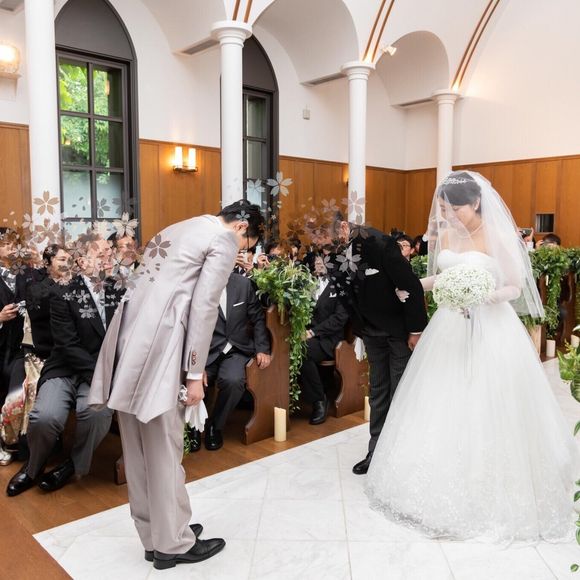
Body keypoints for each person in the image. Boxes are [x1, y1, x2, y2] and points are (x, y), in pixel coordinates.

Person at [366, 171, 580, 543]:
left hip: (492, 327)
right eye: (444, 209)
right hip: (450, 326)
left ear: (476, 202)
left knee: (487, 401)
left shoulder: (498, 236)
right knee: (439, 398)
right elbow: (442, 278)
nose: (449, 216)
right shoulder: (448, 236)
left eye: (455, 209)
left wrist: (485, 296)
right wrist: (412, 287)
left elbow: (515, 287)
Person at [88, 200, 264, 570]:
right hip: (161, 346)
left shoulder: (178, 226)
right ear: (242, 228)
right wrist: (195, 374)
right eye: (247, 245)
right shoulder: (223, 239)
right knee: (163, 448)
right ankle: (174, 543)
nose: (242, 254)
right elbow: (204, 307)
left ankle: (154, 536)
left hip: (127, 340)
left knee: (137, 448)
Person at [6, 237, 121, 496]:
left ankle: (72, 465)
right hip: (66, 367)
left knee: (97, 413)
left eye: (110, 252)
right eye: (101, 252)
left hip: (99, 371)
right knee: (45, 417)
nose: (109, 256)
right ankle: (33, 467)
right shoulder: (63, 292)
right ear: (82, 261)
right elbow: (67, 344)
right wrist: (101, 376)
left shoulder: (118, 291)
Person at [331, 213, 428, 475]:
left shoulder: (380, 243)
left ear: (344, 226)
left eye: (332, 238)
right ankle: (376, 452)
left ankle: (402, 454)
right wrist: (360, 330)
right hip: (371, 332)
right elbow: (346, 294)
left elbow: (411, 286)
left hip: (398, 331)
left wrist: (416, 331)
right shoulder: (336, 252)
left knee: (400, 391)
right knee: (378, 391)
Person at [199, 271, 271, 451]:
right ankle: (193, 429)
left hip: (236, 349)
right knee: (193, 383)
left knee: (234, 381)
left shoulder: (243, 284)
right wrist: (195, 366)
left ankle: (215, 425)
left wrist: (262, 348)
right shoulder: (198, 284)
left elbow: (258, 318)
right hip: (205, 353)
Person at [299, 254, 348, 425]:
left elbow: (340, 318)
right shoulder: (308, 284)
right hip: (309, 335)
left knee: (302, 350)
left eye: (323, 262)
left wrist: (313, 332)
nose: (319, 264)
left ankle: (319, 400)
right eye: (317, 262)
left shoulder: (341, 285)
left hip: (330, 338)